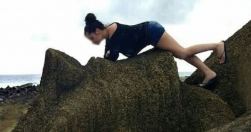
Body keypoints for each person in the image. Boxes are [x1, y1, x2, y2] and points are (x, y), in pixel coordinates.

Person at [84, 13, 228, 89]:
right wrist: (108, 54)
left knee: (182, 52)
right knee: (180, 53)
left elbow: (112, 56)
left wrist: (109, 54)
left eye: (91, 38)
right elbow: (107, 57)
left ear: (97, 31)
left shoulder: (113, 31)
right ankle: (209, 73)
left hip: (151, 31)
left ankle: (217, 46)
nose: (92, 42)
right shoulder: (109, 37)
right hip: (150, 35)